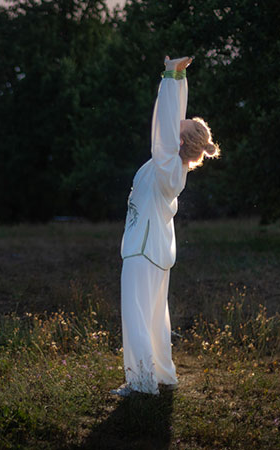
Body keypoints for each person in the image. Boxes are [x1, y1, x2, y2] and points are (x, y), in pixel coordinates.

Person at [111, 55, 220, 397]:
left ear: (180, 142)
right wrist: (176, 78)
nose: (177, 123)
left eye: (182, 125)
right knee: (154, 318)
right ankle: (160, 374)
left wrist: (172, 77)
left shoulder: (168, 165)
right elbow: (168, 121)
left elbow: (164, 122)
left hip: (144, 250)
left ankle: (142, 383)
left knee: (138, 316)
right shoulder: (170, 165)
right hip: (151, 249)